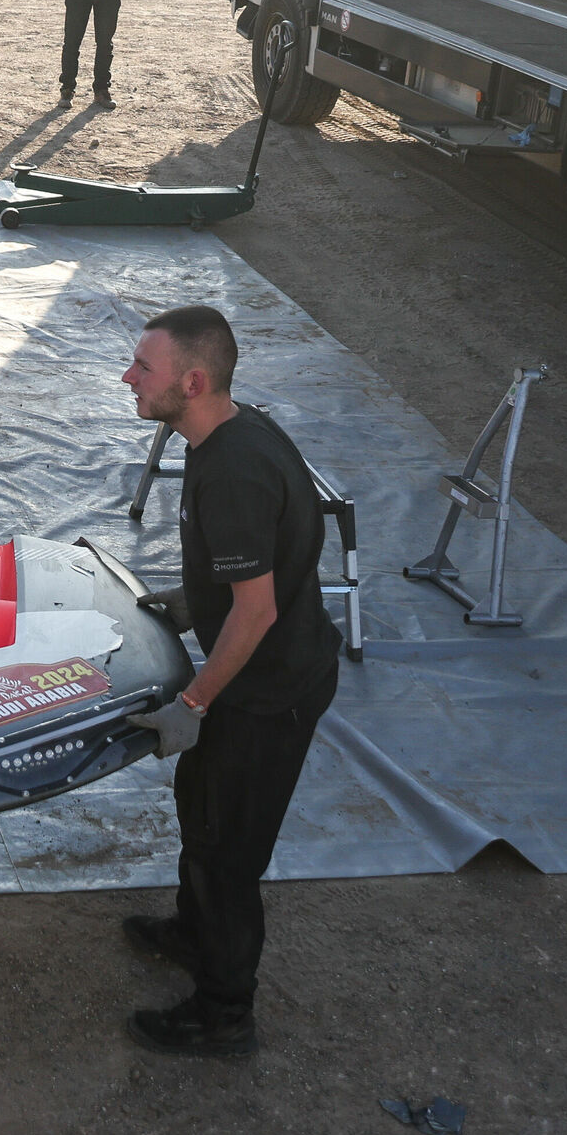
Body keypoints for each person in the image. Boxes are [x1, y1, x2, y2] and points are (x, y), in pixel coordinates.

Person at [120, 305, 343, 1059]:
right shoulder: (220, 437)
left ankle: (224, 1013)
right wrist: (193, 602)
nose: (128, 377)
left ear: (193, 379)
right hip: (253, 677)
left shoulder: (235, 473)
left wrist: (192, 703)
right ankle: (193, 933)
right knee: (201, 809)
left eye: (143, 368)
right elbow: (259, 567)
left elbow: (256, 611)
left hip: (267, 693)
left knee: (229, 854)